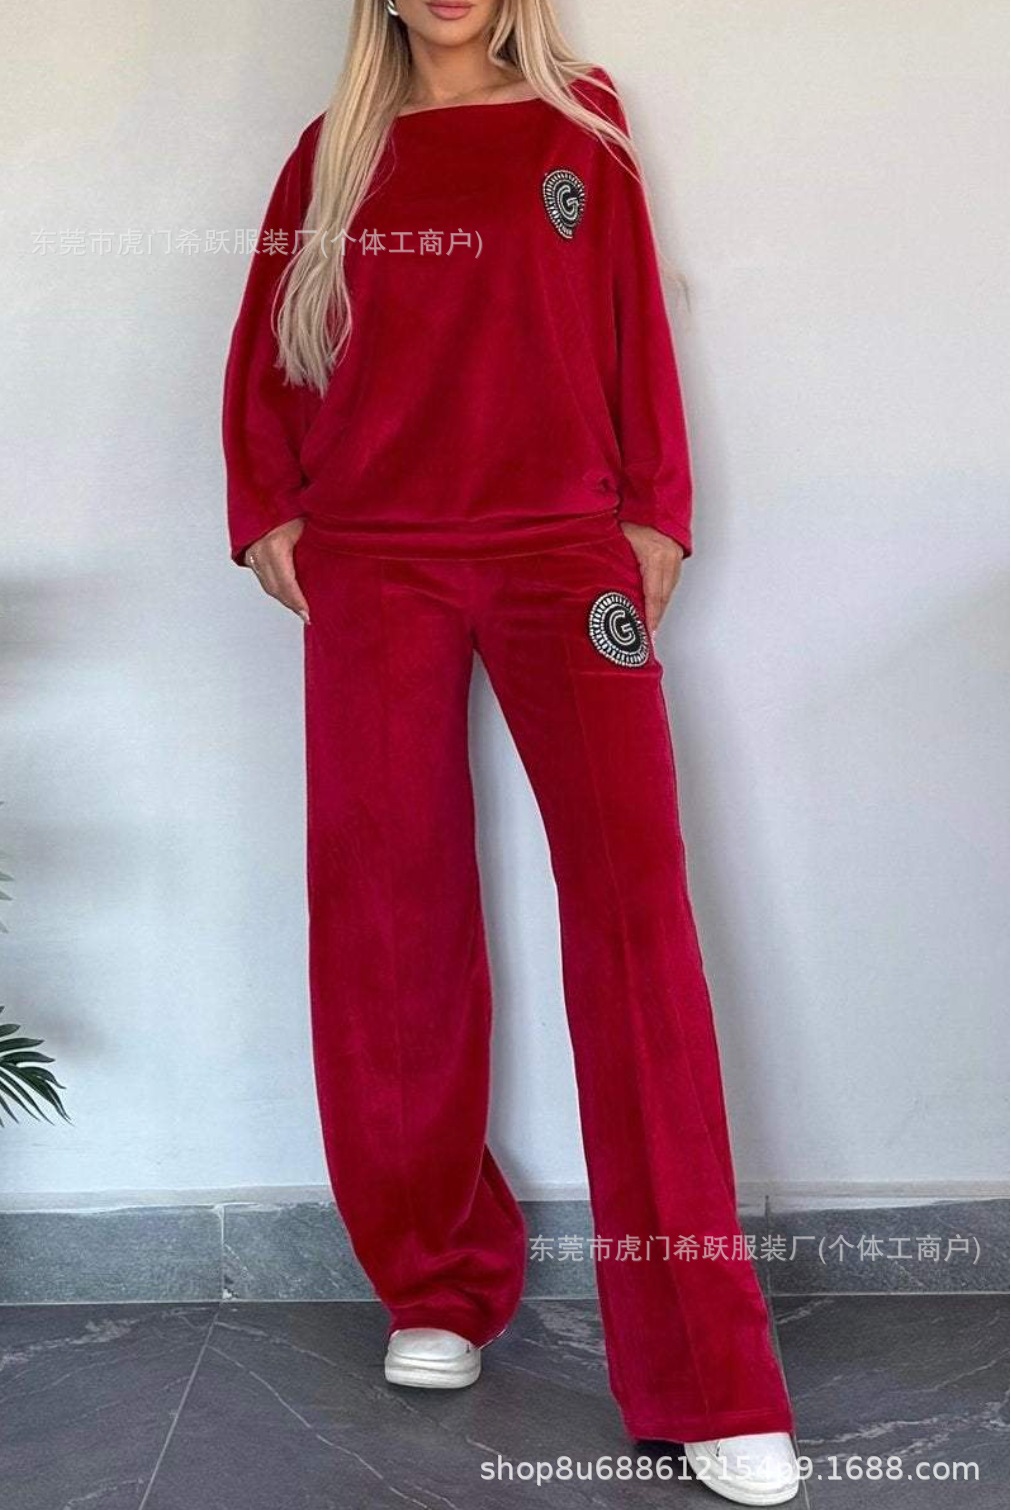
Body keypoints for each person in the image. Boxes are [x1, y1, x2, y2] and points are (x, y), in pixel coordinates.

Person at [222, 1, 800, 1502]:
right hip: (377, 559)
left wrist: (656, 507)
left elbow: (632, 324)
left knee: (635, 925)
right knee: (386, 918)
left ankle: (708, 1370)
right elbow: (268, 348)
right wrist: (268, 504)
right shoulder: (333, 156)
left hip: (563, 552)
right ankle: (435, 1278)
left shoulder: (582, 131)